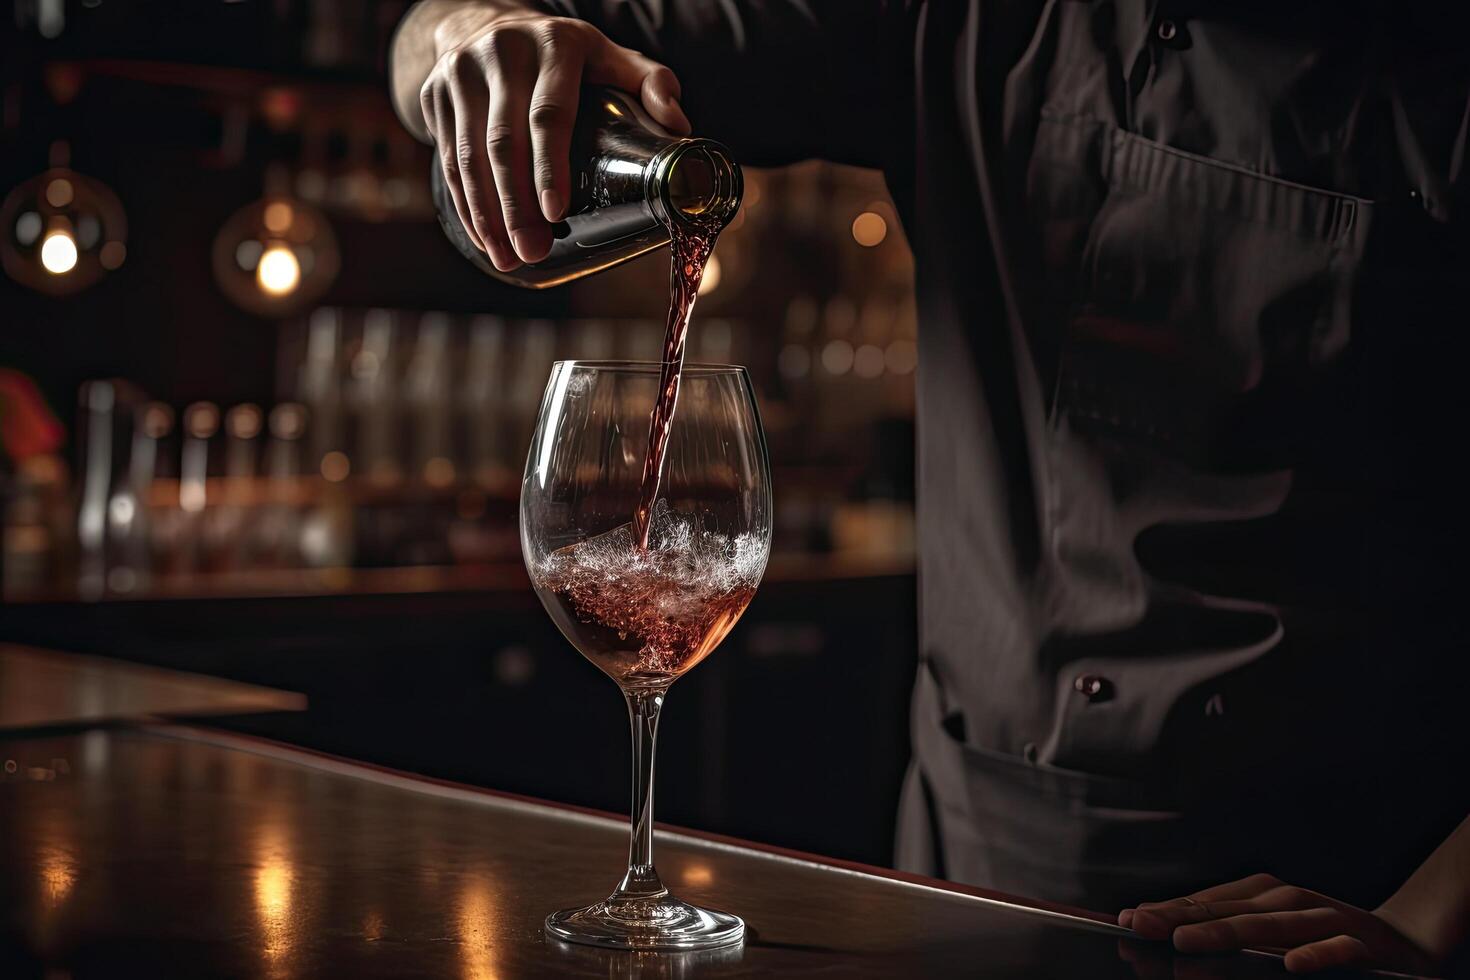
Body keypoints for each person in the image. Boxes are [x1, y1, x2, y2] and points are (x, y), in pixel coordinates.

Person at [390, 2, 1470, 973]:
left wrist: (1434, 915)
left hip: (1320, 896)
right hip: (960, 861)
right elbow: (432, 36)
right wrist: (462, 37)